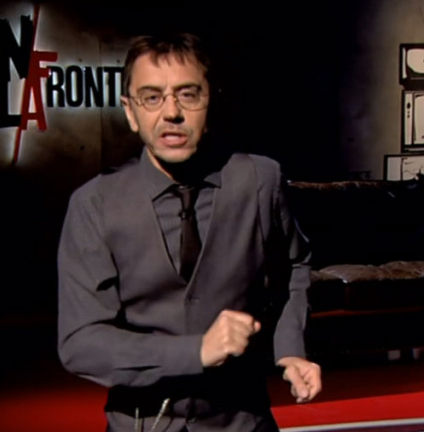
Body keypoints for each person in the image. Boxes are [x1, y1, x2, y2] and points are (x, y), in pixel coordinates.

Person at [57, 32, 321, 432]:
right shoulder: (93, 205)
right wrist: (196, 351)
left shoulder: (259, 180)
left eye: (188, 95)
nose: (172, 113)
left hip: (241, 421)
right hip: (143, 423)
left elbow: (295, 268)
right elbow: (80, 344)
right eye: (151, 97)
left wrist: (289, 349)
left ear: (210, 101)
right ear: (130, 112)